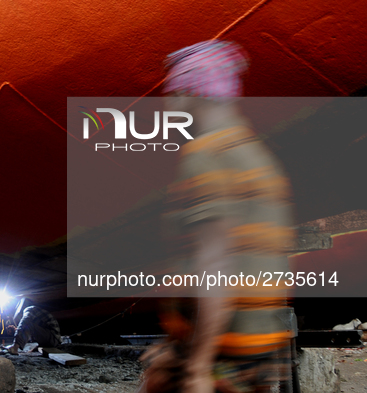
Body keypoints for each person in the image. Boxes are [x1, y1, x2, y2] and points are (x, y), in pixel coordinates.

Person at [140, 40, 294, 393]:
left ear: (194, 91)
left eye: (175, 91)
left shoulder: (205, 156)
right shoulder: (260, 158)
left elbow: (215, 267)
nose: (167, 100)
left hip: (223, 354)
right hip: (261, 348)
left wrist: (197, 366)